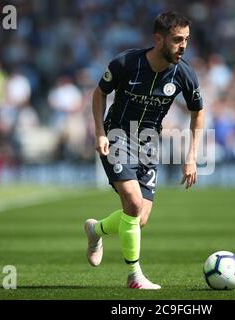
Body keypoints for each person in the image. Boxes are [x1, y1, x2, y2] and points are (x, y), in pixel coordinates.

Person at [86, 11, 205, 289]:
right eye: (177, 40)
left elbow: (198, 112)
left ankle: (96, 229)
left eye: (186, 39)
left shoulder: (184, 73)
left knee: (138, 220)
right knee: (134, 202)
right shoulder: (126, 62)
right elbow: (99, 92)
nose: (183, 46)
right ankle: (135, 276)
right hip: (116, 135)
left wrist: (191, 158)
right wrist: (100, 133)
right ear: (158, 39)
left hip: (150, 143)